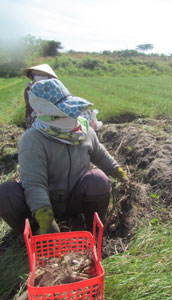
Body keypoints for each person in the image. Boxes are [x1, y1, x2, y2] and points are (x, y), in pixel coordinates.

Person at [0, 78, 128, 235]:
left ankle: (92, 231)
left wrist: (120, 173)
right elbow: (35, 183)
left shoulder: (84, 130)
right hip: (47, 199)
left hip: (76, 197)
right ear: (48, 116)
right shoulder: (33, 140)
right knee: (6, 194)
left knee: (98, 180)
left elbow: (100, 155)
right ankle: (34, 233)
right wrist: (45, 217)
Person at [23, 64, 59, 129]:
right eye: (36, 74)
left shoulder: (53, 90)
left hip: (49, 119)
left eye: (41, 75)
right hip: (33, 118)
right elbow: (29, 107)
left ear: (48, 77)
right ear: (32, 76)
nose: (38, 77)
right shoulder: (29, 89)